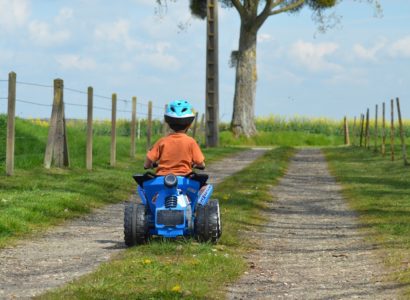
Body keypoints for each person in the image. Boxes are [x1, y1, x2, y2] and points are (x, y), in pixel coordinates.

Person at [144, 100, 205, 176]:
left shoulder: (162, 141)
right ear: (189, 124)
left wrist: (149, 165)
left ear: (168, 123)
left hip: (162, 178)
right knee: (205, 187)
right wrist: (199, 166)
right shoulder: (191, 142)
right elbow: (200, 163)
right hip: (184, 178)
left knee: (142, 186)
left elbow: (148, 162)